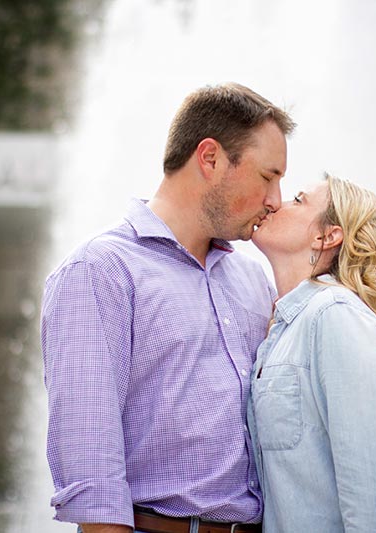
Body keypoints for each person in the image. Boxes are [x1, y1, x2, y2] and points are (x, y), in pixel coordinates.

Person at [41, 83, 295, 533]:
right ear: (210, 158)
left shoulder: (252, 280)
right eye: (267, 177)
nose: (275, 200)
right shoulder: (99, 270)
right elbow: (91, 472)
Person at [248, 173, 376, 533]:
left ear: (327, 236)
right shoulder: (285, 326)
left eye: (298, 200)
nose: (276, 203)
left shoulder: (335, 314)